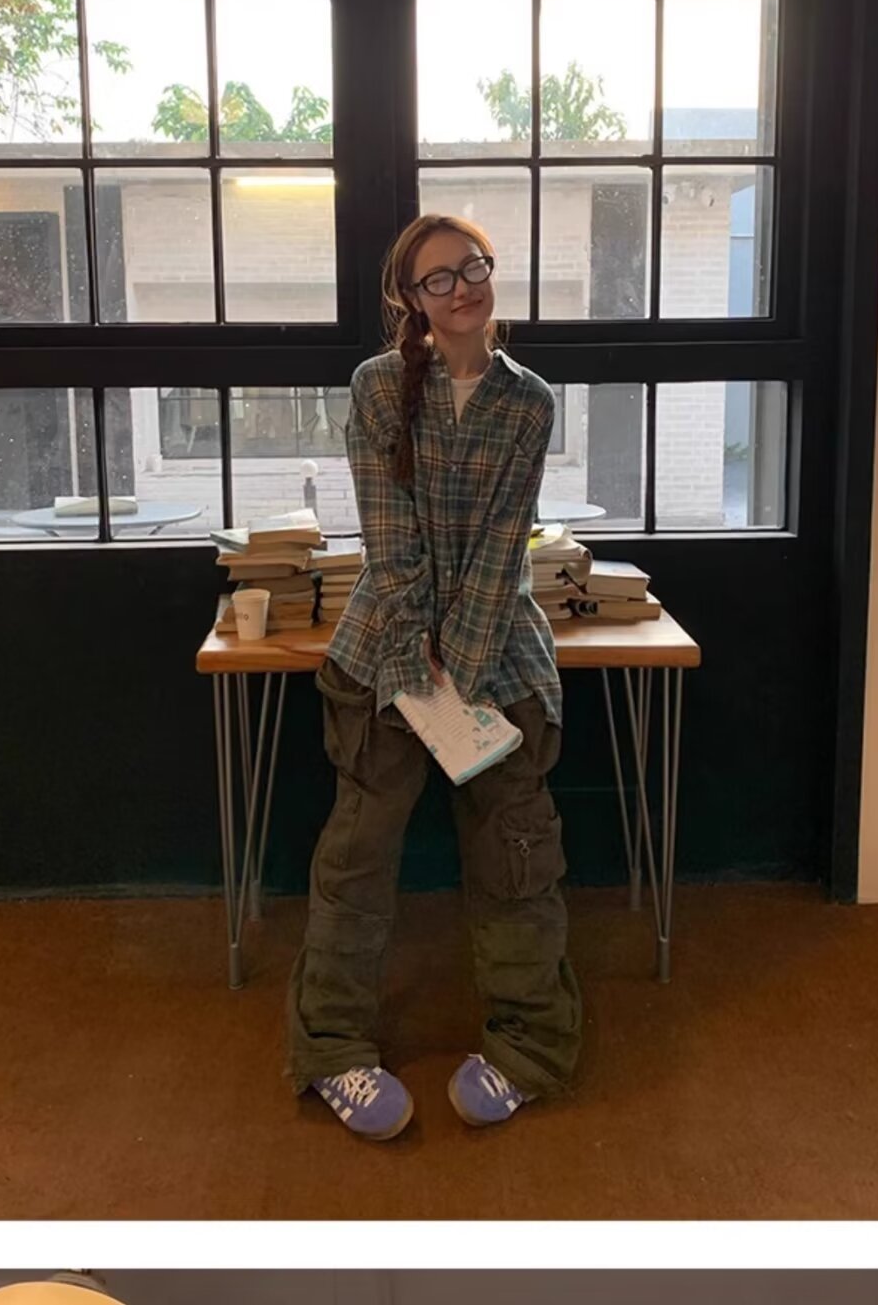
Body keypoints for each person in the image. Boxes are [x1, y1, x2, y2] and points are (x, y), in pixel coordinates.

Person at [286, 214, 582, 1140]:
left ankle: (529, 1045)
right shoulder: (377, 387)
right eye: (439, 278)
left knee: (517, 859)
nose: (463, 288)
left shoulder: (528, 401)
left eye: (473, 267)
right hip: (386, 646)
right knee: (356, 860)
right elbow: (389, 532)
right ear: (410, 298)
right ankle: (333, 1047)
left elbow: (504, 543)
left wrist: (464, 659)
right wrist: (419, 652)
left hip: (499, 651)